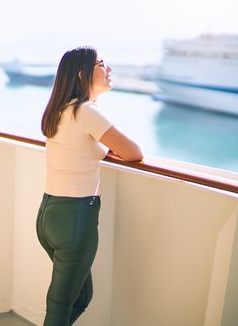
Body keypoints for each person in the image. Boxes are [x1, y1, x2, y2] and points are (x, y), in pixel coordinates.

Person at [36, 47, 143, 325]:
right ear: (83, 73)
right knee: (59, 309)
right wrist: (111, 150)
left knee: (81, 297)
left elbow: (81, 147)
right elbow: (133, 152)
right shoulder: (87, 112)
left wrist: (103, 150)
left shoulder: (60, 110)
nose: (109, 70)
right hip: (75, 220)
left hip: (49, 215)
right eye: (102, 64)